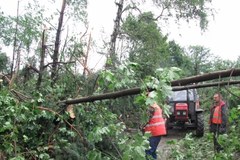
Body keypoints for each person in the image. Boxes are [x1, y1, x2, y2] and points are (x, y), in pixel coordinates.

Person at [142, 92, 167, 159]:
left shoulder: (150, 107)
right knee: (153, 151)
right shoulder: (156, 106)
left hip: (153, 132)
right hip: (158, 131)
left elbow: (145, 120)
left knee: (149, 152)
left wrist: (142, 127)